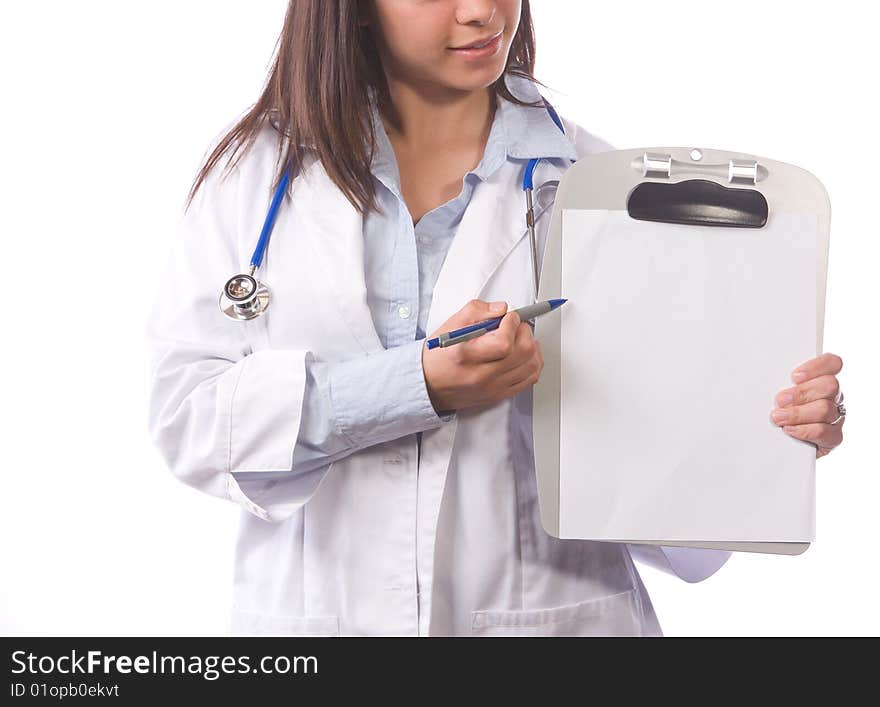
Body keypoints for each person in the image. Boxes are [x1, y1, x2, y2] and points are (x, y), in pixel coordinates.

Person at [145, 0, 846, 636]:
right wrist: (416, 384)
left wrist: (758, 436)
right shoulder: (254, 183)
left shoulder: (600, 190)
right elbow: (189, 422)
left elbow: (675, 517)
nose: (483, 11)